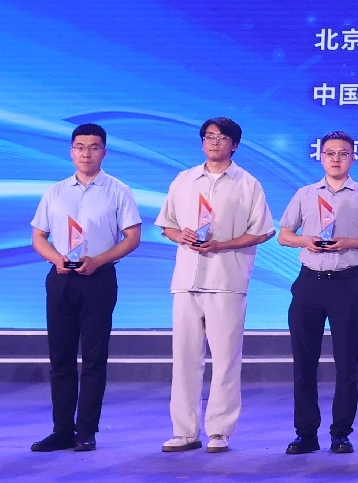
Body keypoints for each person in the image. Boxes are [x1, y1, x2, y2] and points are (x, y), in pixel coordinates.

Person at [157, 117, 273, 454]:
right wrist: (181, 235)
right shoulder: (184, 180)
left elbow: (262, 231)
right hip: (186, 280)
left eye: (222, 138)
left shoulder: (247, 184)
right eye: (209, 137)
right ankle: (184, 431)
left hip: (226, 280)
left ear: (234, 145)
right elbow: (167, 225)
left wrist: (222, 244)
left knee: (225, 360)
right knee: (184, 358)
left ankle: (220, 431)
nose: (214, 142)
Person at [28, 122, 142, 452]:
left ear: (104, 152)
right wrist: (56, 258)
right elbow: (38, 236)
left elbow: (132, 237)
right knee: (60, 357)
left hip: (98, 278)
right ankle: (62, 429)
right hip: (61, 278)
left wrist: (100, 260)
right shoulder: (55, 192)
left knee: (93, 358)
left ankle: (86, 430)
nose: (86, 153)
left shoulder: (118, 190)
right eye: (79, 147)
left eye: (93, 147)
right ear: (71, 151)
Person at [275, 131, 358, 455]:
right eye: (330, 153)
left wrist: (350, 242)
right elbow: (284, 234)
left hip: (345, 284)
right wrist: (305, 240)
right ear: (320, 157)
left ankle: (341, 433)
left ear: (353, 158)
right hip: (309, 282)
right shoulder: (305, 194)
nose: (336, 159)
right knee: (304, 363)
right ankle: (306, 433)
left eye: (343, 153)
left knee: (346, 362)